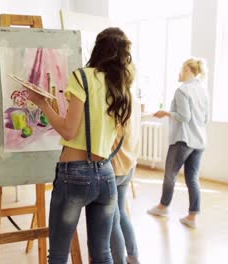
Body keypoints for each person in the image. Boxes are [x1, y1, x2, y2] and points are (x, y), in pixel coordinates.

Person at [25, 27, 134, 264]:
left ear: (98, 48)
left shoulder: (82, 77)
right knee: (102, 253)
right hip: (106, 175)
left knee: (58, 255)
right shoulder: (121, 87)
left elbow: (68, 130)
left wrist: (43, 104)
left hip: (74, 175)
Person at [147, 58, 209, 228]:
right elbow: (205, 118)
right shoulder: (203, 90)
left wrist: (166, 113)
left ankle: (163, 206)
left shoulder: (182, 91)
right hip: (199, 141)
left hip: (183, 140)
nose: (179, 72)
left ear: (189, 70)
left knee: (170, 175)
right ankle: (192, 217)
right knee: (192, 178)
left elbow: (184, 117)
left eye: (181, 69)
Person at [110, 97, 142, 264]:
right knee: (121, 213)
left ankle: (119, 261)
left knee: (113, 219)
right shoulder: (133, 99)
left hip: (115, 167)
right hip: (128, 164)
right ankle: (133, 256)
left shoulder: (115, 99)